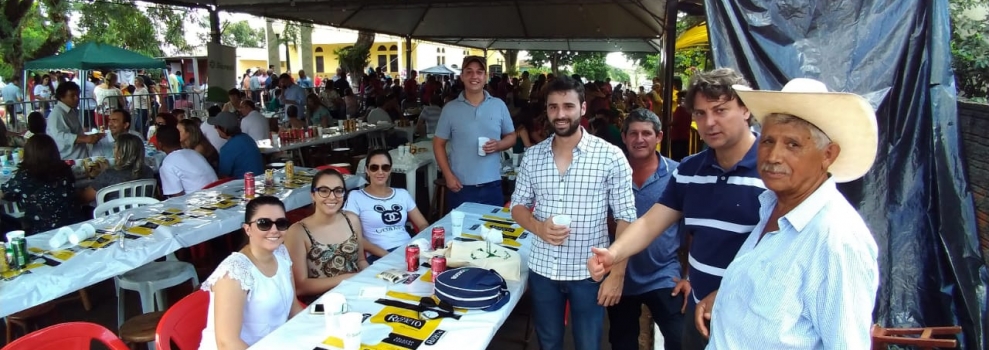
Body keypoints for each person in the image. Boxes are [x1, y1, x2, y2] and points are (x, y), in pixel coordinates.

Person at [585, 68, 765, 350]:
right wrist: (613, 254)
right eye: (700, 113)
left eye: (720, 110)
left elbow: (782, 252)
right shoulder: (690, 170)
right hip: (698, 312)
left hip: (752, 315)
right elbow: (649, 223)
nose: (709, 122)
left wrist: (725, 291)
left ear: (745, 109)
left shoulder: (772, 169)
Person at [700, 78, 880, 348]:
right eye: (768, 141)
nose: (773, 156)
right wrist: (728, 297)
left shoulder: (836, 240)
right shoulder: (772, 206)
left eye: (793, 144)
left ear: (828, 155)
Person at [509, 76, 637, 350]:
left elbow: (627, 217)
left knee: (588, 344)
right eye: (553, 107)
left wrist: (617, 274)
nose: (560, 114)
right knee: (548, 343)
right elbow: (517, 206)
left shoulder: (610, 156)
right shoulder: (533, 156)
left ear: (582, 108)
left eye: (568, 106)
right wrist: (539, 227)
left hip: (589, 273)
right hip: (544, 270)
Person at [606, 108, 684, 350]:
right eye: (633, 133)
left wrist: (690, 276)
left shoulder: (678, 174)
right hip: (621, 275)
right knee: (622, 342)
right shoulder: (611, 174)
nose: (640, 140)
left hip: (663, 274)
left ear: (659, 137)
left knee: (681, 338)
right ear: (624, 136)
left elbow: (693, 229)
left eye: (647, 134)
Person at [198, 196, 303, 349]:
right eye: (264, 224)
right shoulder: (234, 272)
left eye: (281, 223)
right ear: (247, 229)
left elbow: (294, 308)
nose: (274, 230)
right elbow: (227, 343)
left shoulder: (281, 253)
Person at [433, 56, 516, 210]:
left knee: (493, 231)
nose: (474, 76)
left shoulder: (499, 105)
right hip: (460, 186)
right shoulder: (450, 109)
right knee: (460, 233)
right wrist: (448, 175)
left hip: (492, 184)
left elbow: (512, 136)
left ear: (485, 77)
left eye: (479, 72)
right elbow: (438, 144)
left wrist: (499, 145)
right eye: (469, 72)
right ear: (462, 77)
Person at [285, 169, 369, 302]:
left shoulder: (351, 219)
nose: (332, 197)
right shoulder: (298, 232)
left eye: (338, 190)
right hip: (323, 303)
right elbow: (300, 286)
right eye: (324, 190)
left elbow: (361, 261)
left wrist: (371, 278)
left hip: (358, 292)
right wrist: (346, 278)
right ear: (313, 195)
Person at [344, 149, 429, 264]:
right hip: (378, 254)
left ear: (390, 170)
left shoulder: (402, 194)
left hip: (409, 249)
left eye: (385, 167)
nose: (380, 172)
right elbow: (354, 237)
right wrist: (389, 255)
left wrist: (422, 243)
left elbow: (422, 224)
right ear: (367, 170)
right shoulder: (356, 197)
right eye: (374, 167)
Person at [0, 135, 83, 235]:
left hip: (41, 231)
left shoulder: (25, 176)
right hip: (75, 228)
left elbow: (5, 193)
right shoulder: (65, 169)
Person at [82, 133, 155, 204]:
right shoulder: (148, 171)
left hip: (114, 215)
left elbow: (85, 198)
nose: (113, 150)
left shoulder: (108, 175)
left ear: (120, 153)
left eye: (114, 147)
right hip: (143, 213)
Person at [47, 81, 104, 159]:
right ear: (62, 97)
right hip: (68, 159)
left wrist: (90, 137)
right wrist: (84, 139)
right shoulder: (57, 114)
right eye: (72, 96)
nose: (77, 98)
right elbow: (59, 137)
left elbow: (75, 132)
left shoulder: (72, 110)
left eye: (77, 95)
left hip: (78, 156)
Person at [157, 125, 218, 197]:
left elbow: (178, 198)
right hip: (217, 195)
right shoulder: (193, 153)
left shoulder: (168, 163)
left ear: (160, 145)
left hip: (201, 203)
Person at [212, 111, 264, 178]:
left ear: (224, 129)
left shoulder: (227, 149)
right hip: (261, 181)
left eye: (216, 126)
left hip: (244, 185)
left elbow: (223, 176)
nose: (215, 129)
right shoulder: (247, 138)